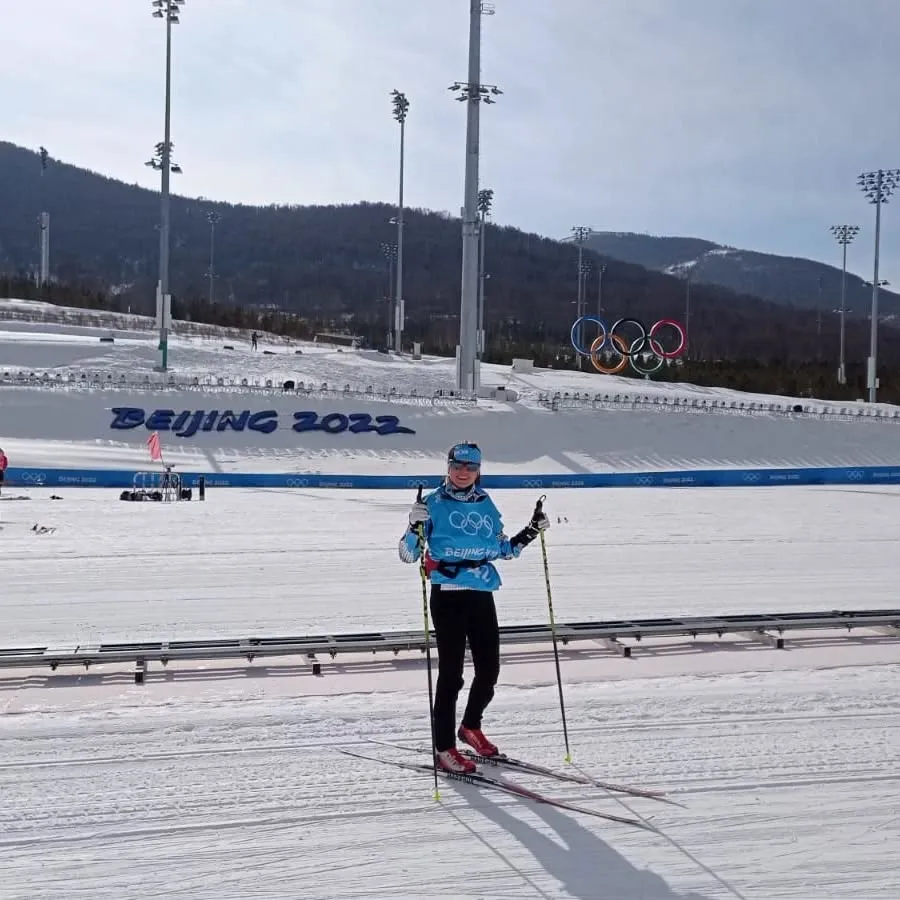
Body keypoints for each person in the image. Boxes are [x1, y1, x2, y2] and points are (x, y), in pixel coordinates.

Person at [398, 441, 550, 774]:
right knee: (451, 676)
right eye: (458, 466)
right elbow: (408, 555)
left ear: (479, 471)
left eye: (470, 467)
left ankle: (469, 727)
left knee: (489, 669)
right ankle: (444, 748)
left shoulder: (485, 503)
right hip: (448, 594)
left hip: (481, 592)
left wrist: (531, 531)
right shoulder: (433, 504)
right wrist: (412, 526)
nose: (463, 473)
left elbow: (503, 550)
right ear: (448, 468)